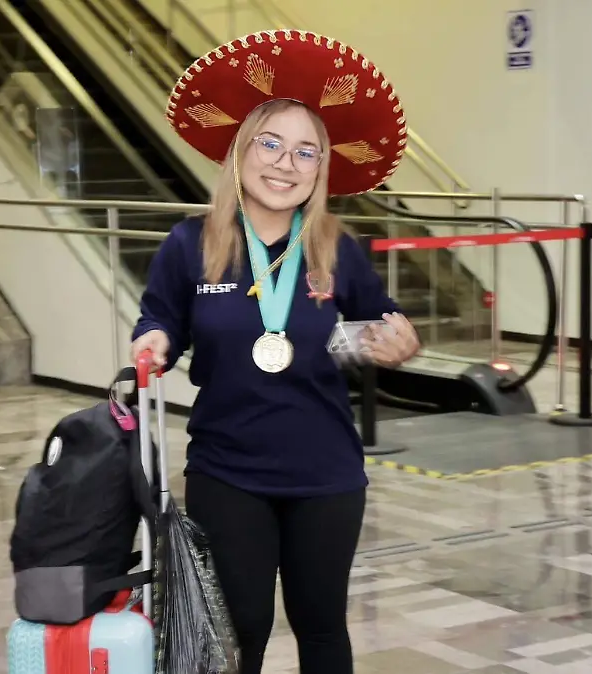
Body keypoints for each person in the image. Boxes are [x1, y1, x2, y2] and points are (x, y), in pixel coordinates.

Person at [130, 30, 420, 674]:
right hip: (228, 469)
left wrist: (391, 343)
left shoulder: (339, 249)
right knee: (242, 632)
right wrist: (154, 339)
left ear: (321, 169)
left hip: (327, 472)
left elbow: (372, 328)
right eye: (270, 144)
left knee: (321, 627)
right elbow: (163, 317)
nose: (285, 164)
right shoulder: (190, 244)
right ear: (240, 151)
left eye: (305, 152)